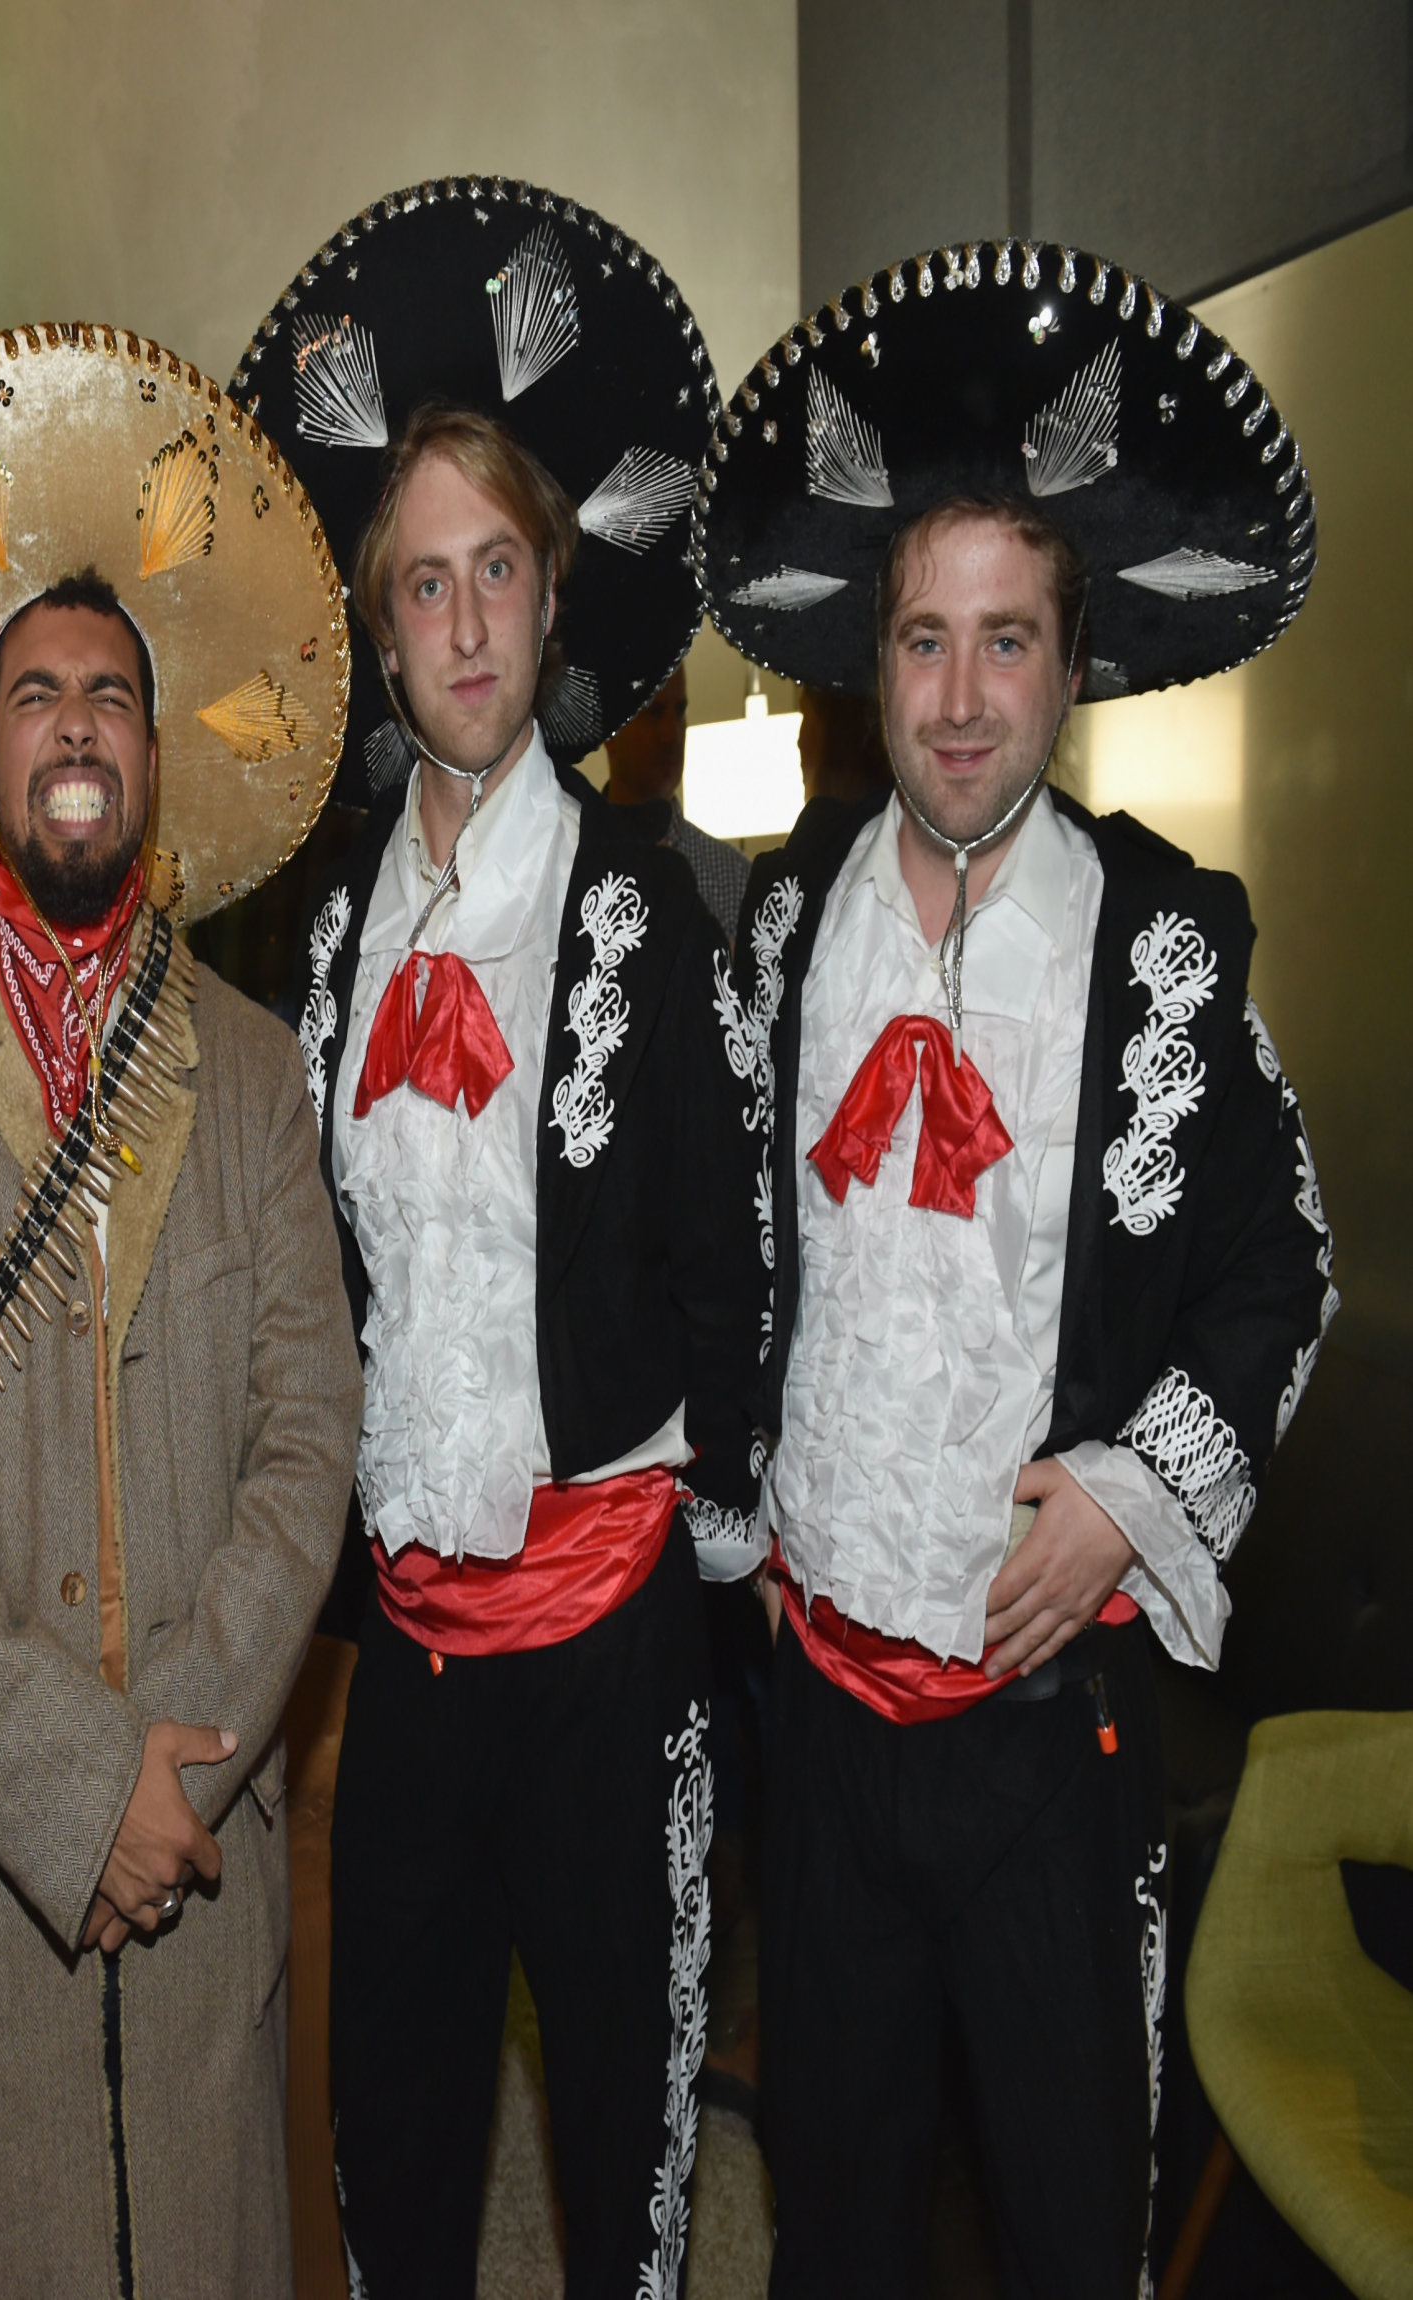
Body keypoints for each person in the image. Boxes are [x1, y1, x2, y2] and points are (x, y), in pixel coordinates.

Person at [698, 240, 1332, 2296]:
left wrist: (1129, 1497)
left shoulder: (1163, 945)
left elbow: (1282, 1262)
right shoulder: (784, 929)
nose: (959, 698)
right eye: (922, 643)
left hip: (1043, 1735)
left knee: (1070, 2217)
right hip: (819, 1709)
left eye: (1004, 644)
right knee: (839, 2212)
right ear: (868, 664)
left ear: (1069, 669)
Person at [0, 322, 362, 2299]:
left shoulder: (265, 1073)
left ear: (154, 740)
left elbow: (310, 1435)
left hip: (197, 1846)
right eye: (35, 694)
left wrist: (172, 1775)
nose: (76, 726)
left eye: (108, 692)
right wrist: (71, 1786)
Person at [236, 182, 762, 2299]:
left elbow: (738, 1269)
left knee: (627, 2146)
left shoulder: (650, 900)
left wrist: (716, 1539)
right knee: (396, 2134)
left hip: (614, 1649)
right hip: (413, 1667)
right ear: (379, 626)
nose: (459, 626)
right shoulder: (333, 928)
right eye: (420, 587)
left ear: (551, 603)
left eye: (496, 578)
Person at [604, 665, 751, 939]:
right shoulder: (568, 861)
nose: (671, 735)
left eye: (680, 712)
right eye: (654, 713)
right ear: (611, 730)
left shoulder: (734, 881)